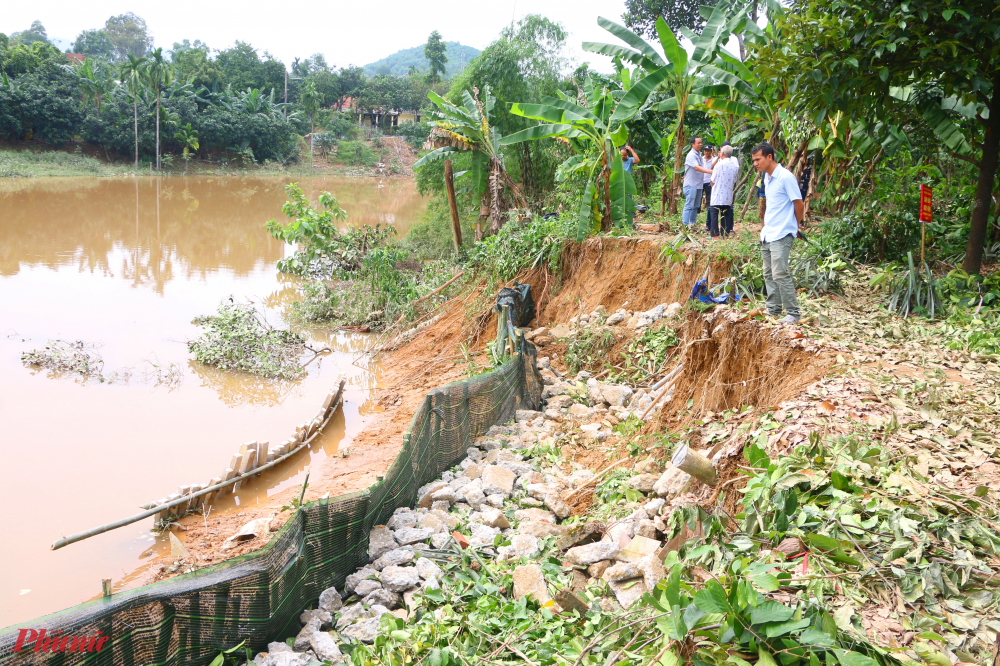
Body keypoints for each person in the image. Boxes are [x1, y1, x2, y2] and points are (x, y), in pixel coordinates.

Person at [751, 142, 802, 324]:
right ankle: (773, 310)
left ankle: (793, 313)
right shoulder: (767, 177)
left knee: (780, 272)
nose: (755, 163)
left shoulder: (785, 177)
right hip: (768, 233)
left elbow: (799, 203)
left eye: (758, 159)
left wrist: (795, 225)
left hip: (782, 232)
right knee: (768, 273)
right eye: (754, 160)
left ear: (769, 157)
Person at [709, 144, 739, 238]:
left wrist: (714, 185)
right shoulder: (735, 166)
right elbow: (734, 180)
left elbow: (712, 181)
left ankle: (715, 234)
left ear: (721, 153)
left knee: (714, 213)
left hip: (717, 194)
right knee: (726, 214)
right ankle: (725, 234)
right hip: (728, 194)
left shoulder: (719, 165)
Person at [682, 137, 713, 226]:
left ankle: (693, 224)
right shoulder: (691, 155)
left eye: (701, 142)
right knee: (689, 205)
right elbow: (696, 167)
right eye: (698, 143)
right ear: (692, 144)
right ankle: (685, 225)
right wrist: (711, 172)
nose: (700, 144)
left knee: (695, 206)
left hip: (699, 184)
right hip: (691, 185)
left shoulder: (699, 154)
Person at [620, 145, 640, 219]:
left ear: (627, 154)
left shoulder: (630, 160)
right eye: (621, 155)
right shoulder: (617, 161)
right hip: (619, 184)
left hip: (627, 183)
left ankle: (633, 217)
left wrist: (631, 150)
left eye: (625, 155)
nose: (623, 156)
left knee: (629, 200)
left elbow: (637, 160)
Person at [700, 146, 716, 230]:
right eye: (705, 150)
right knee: (698, 197)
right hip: (700, 181)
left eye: (708, 151)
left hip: (709, 181)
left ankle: (708, 210)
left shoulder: (714, 160)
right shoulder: (701, 159)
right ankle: (698, 210)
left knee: (710, 199)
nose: (706, 152)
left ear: (711, 151)